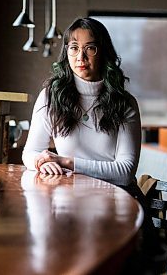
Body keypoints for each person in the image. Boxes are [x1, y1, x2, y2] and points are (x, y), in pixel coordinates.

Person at [22, 17, 142, 188]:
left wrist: (66, 162)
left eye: (90, 48)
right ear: (67, 52)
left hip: (116, 201)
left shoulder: (125, 103)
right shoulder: (51, 96)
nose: (81, 56)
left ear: (103, 52)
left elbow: (125, 172)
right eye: (74, 48)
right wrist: (40, 163)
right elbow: (30, 152)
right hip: (69, 198)